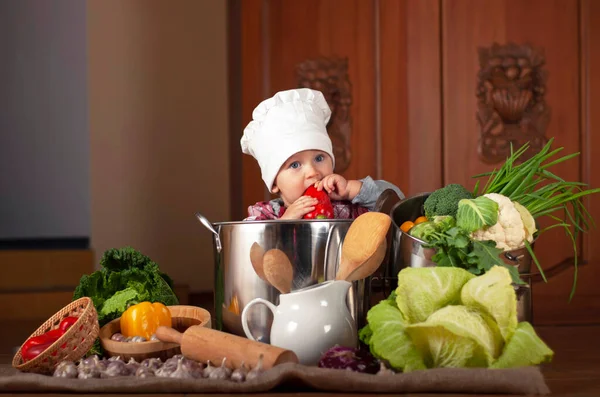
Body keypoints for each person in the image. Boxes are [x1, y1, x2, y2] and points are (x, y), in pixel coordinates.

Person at [241, 88, 404, 221]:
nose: (313, 172)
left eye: (319, 158)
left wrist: (351, 189)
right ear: (274, 181)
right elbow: (252, 248)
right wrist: (284, 223)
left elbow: (399, 204)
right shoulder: (265, 215)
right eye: (295, 165)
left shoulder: (349, 205)